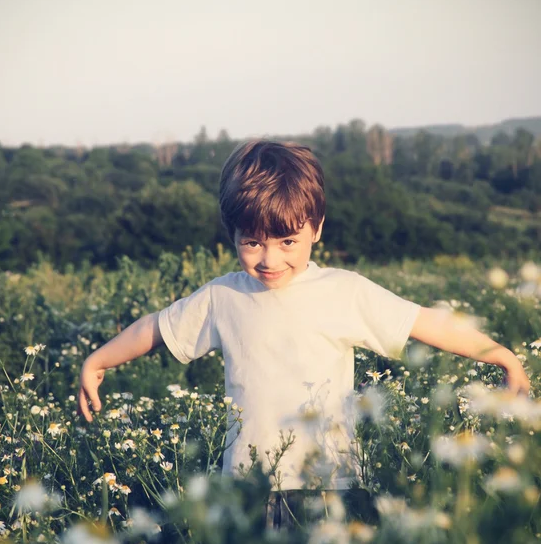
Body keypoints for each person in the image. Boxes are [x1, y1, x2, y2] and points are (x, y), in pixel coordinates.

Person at [78, 139, 530, 524]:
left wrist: (500, 355)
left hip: (328, 483)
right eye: (252, 242)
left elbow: (425, 321)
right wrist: (98, 360)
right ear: (232, 234)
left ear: (316, 229)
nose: (269, 260)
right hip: (246, 484)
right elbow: (155, 328)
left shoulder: (345, 291)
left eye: (287, 241)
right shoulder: (221, 297)